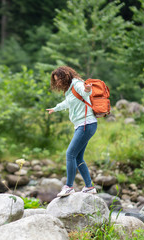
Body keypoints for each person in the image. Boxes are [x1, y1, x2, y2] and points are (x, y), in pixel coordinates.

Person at [46, 66, 97, 197]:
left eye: (59, 79)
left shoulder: (77, 84)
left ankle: (68, 186)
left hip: (86, 123)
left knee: (70, 154)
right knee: (78, 157)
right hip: (83, 125)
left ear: (66, 76)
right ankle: (89, 186)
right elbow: (68, 103)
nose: (58, 83)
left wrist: (87, 89)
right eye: (56, 81)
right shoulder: (69, 90)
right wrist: (55, 108)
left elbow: (86, 93)